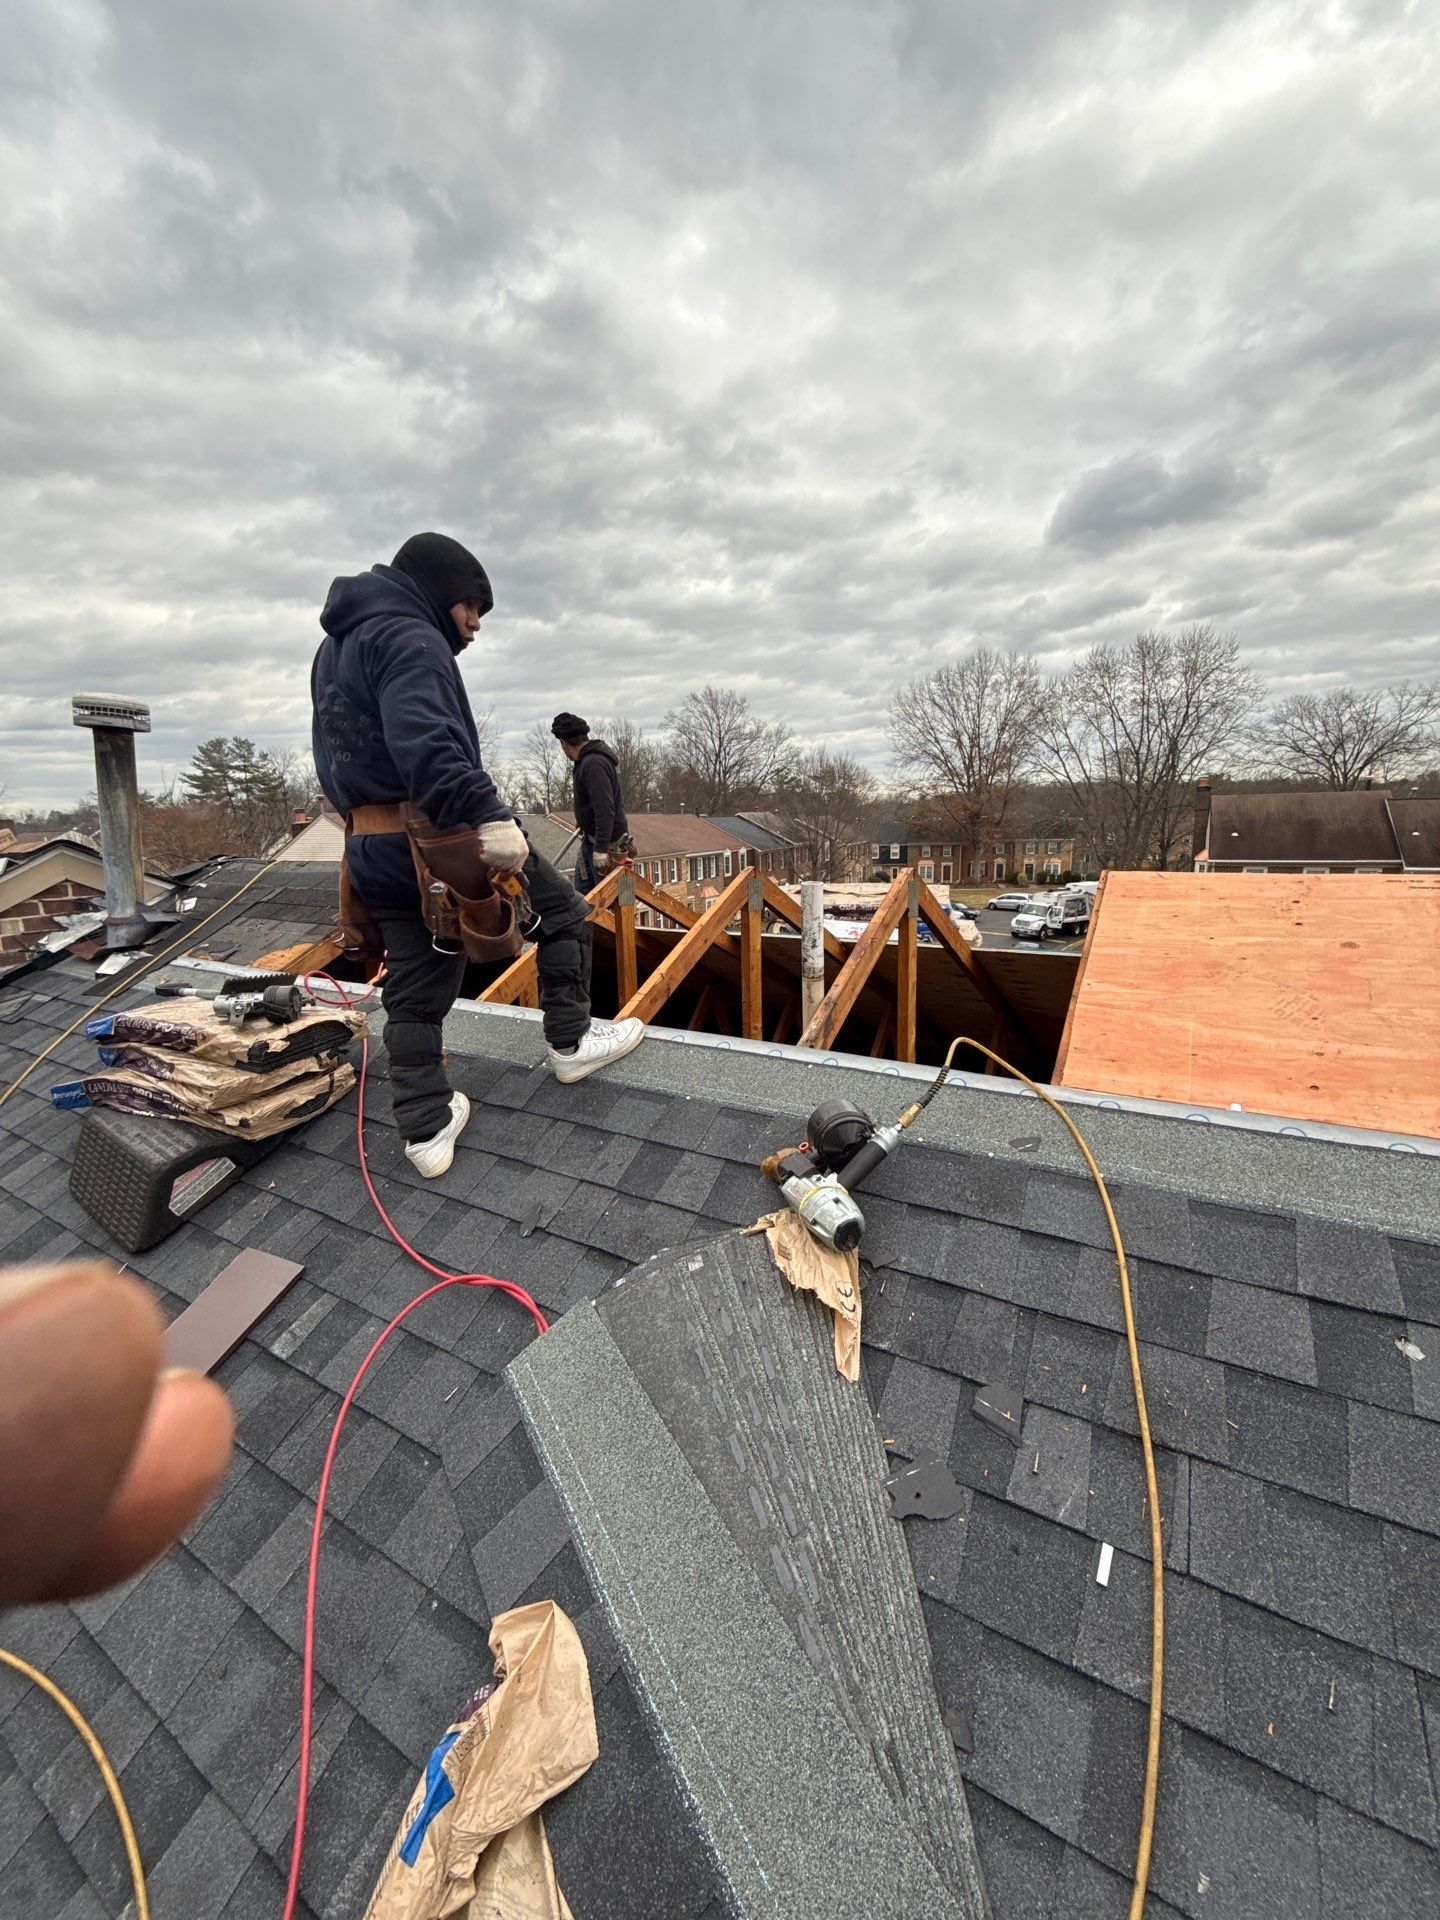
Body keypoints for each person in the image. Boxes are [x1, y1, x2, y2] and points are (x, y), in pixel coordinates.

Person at [311, 533, 643, 1177]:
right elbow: (428, 744)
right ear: (440, 591)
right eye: (471, 606)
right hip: (441, 834)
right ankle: (573, 1040)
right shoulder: (409, 635)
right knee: (563, 913)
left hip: (369, 844)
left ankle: (425, 1127)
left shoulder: (336, 646)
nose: (475, 624)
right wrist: (489, 814)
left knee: (415, 983)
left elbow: (343, 752)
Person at [551, 712, 629, 893]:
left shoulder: (593, 763)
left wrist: (601, 849)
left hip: (607, 846)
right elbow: (592, 802)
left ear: (563, 742)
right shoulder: (585, 761)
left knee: (608, 901)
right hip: (590, 842)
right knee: (583, 898)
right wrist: (584, 820)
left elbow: (605, 809)